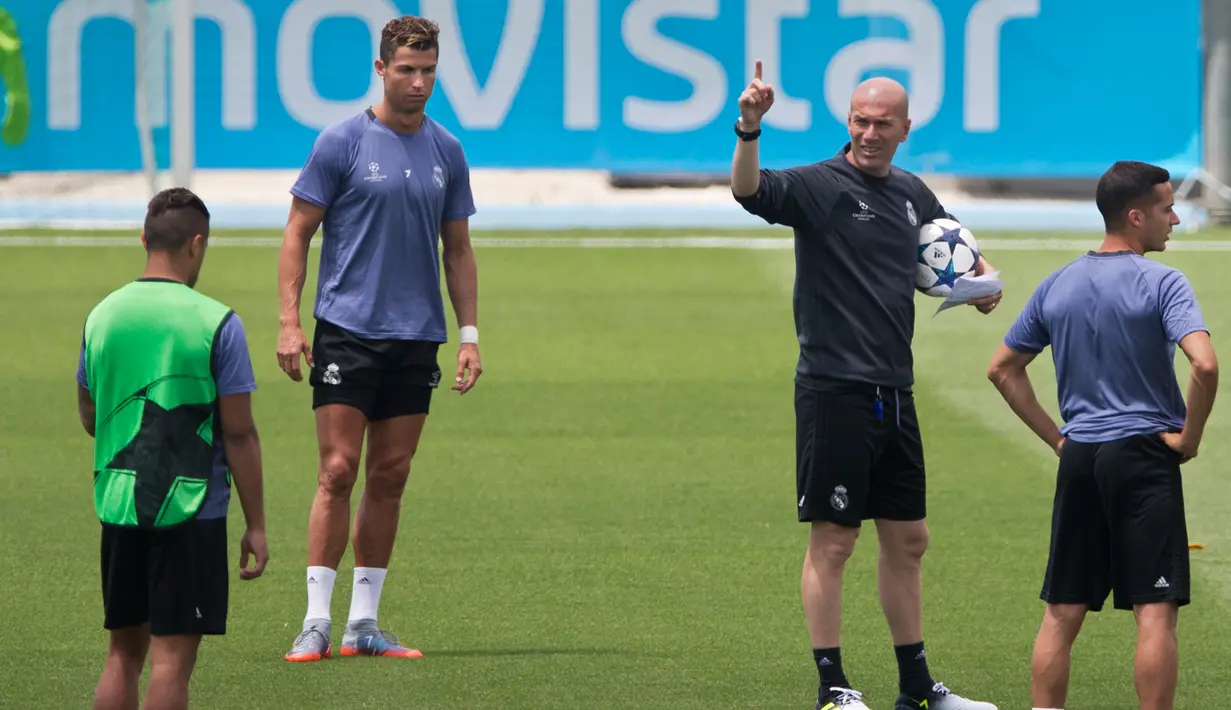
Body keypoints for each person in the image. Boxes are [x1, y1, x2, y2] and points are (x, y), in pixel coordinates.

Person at [730, 61, 1001, 710]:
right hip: (835, 391)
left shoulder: (911, 192)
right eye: (859, 120)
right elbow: (747, 190)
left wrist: (980, 284)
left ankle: (916, 688)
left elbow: (957, 249)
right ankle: (832, 686)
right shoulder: (818, 186)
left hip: (894, 392)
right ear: (845, 122)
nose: (869, 132)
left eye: (882, 123)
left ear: (906, 129)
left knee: (909, 540)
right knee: (834, 539)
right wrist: (748, 127)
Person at [277, 13, 481, 663]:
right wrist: (288, 319)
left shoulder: (446, 150)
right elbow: (296, 233)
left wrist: (469, 333)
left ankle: (363, 623)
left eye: (427, 72)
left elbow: (458, 249)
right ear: (381, 69)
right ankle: (315, 620)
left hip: (417, 335)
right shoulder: (339, 142)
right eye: (406, 71)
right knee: (337, 470)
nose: (418, 83)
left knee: (390, 475)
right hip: (347, 330)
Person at [987, 160, 1218, 710]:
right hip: (1143, 456)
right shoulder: (1163, 282)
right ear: (1136, 217)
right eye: (1167, 209)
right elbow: (1205, 367)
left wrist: (1059, 441)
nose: (1176, 220)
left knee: (1062, 612)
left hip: (1082, 457)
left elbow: (1001, 368)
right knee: (1155, 610)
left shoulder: (1059, 282)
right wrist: (1188, 437)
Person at [77, 187, 268, 710]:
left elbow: (91, 414)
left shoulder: (102, 317)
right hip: (193, 513)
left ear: (144, 239)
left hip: (119, 507)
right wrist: (256, 524)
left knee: (121, 655)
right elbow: (239, 433)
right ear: (197, 244)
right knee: (171, 662)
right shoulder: (218, 323)